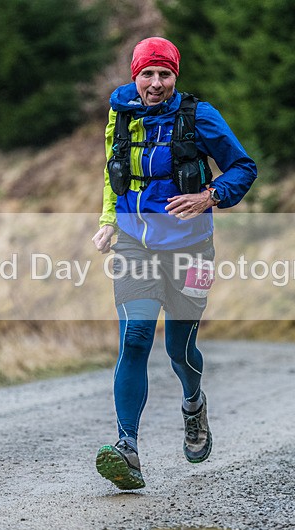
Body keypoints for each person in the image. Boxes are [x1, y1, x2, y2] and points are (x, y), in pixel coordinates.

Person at [91, 37, 257, 490]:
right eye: (147, 74)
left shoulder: (199, 116)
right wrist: (108, 221)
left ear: (175, 77)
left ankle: (193, 404)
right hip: (135, 245)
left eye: (164, 74)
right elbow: (112, 172)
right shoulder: (121, 114)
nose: (155, 83)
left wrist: (210, 196)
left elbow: (244, 167)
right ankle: (127, 447)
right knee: (135, 337)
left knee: (179, 351)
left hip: (191, 248)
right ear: (135, 76)